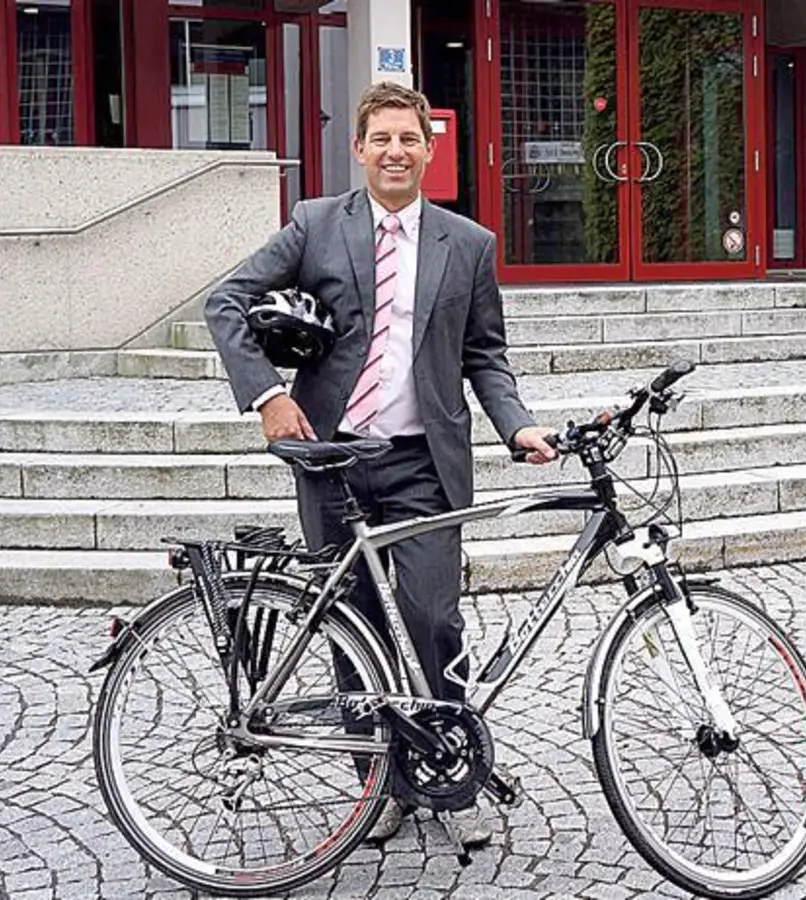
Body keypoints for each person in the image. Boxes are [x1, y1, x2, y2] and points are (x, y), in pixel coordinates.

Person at [202, 81, 557, 848]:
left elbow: (485, 355)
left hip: (422, 463)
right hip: (332, 462)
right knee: (350, 627)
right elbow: (225, 300)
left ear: (430, 150)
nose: (396, 151)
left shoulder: (469, 244)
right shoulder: (315, 225)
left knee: (432, 618)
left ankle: (446, 769)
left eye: (410, 139)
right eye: (382, 139)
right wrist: (265, 394)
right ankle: (382, 786)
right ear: (359, 149)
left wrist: (518, 426)